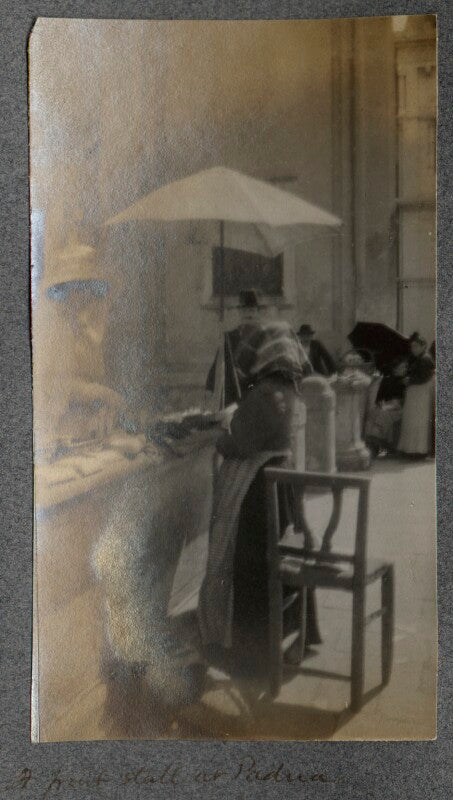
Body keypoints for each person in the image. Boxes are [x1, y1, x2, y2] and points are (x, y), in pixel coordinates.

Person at [198, 319, 321, 679]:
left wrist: (219, 433)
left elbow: (239, 443)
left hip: (258, 490)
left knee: (248, 564)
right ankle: (295, 631)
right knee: (285, 556)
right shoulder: (290, 390)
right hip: (280, 487)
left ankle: (250, 649)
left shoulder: (264, 392)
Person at [205, 288, 262, 407]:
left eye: (252, 310)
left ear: (257, 312)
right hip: (233, 395)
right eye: (245, 310)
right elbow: (218, 362)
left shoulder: (264, 337)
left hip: (256, 394)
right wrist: (209, 388)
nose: (249, 314)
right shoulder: (230, 337)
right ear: (240, 312)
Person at [397, 333, 435, 458]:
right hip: (415, 393)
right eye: (412, 346)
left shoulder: (425, 359)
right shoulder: (417, 358)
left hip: (420, 393)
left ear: (423, 346)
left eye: (416, 346)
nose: (413, 349)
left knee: (418, 421)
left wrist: (409, 380)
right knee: (412, 420)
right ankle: (411, 449)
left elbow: (424, 377)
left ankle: (418, 450)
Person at [365, 359, 406, 457]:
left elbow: (403, 400)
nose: (405, 369)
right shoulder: (386, 380)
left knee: (383, 415)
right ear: (395, 369)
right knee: (374, 412)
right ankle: (372, 443)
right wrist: (382, 404)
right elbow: (379, 398)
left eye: (405, 367)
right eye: (402, 367)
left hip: (399, 408)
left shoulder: (405, 382)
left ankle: (378, 441)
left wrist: (392, 405)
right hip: (385, 405)